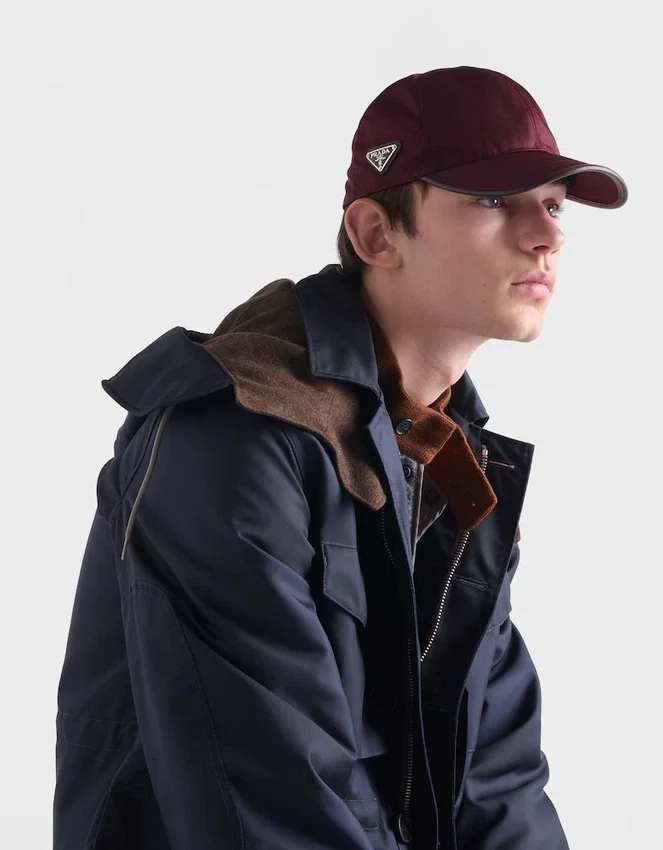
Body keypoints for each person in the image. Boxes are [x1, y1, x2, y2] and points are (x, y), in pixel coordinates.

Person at [53, 66, 628, 850]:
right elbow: (267, 806)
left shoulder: (450, 464)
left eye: (554, 205)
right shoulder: (232, 439)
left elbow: (500, 788)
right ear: (376, 235)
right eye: (495, 200)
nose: (548, 235)